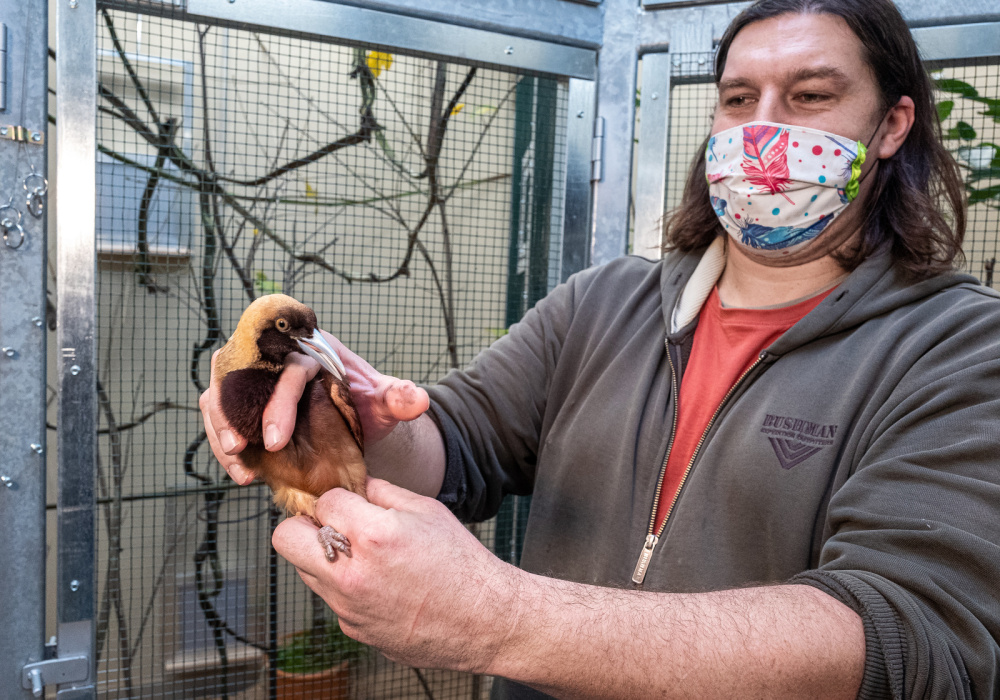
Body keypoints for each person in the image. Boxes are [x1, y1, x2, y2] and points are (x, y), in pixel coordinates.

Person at [201, 0, 1000, 697]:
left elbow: (908, 640)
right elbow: (457, 442)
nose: (763, 129)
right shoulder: (604, 303)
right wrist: (343, 415)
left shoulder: (961, 350)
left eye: (810, 96)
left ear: (893, 124)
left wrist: (498, 619)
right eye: (736, 98)